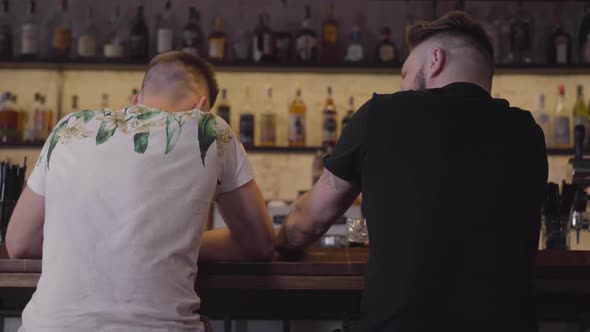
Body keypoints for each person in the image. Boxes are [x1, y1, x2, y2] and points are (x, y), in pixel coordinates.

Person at [276, 11, 547, 332]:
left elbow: (308, 223)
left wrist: (277, 241)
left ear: (435, 60)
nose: (402, 86)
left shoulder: (381, 114)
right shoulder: (527, 131)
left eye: (405, 73)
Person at [6, 51, 275, 332]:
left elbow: (19, 243)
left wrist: (98, 242)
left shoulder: (69, 127)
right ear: (202, 106)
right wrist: (167, 244)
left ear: (136, 100)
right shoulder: (210, 129)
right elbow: (259, 243)